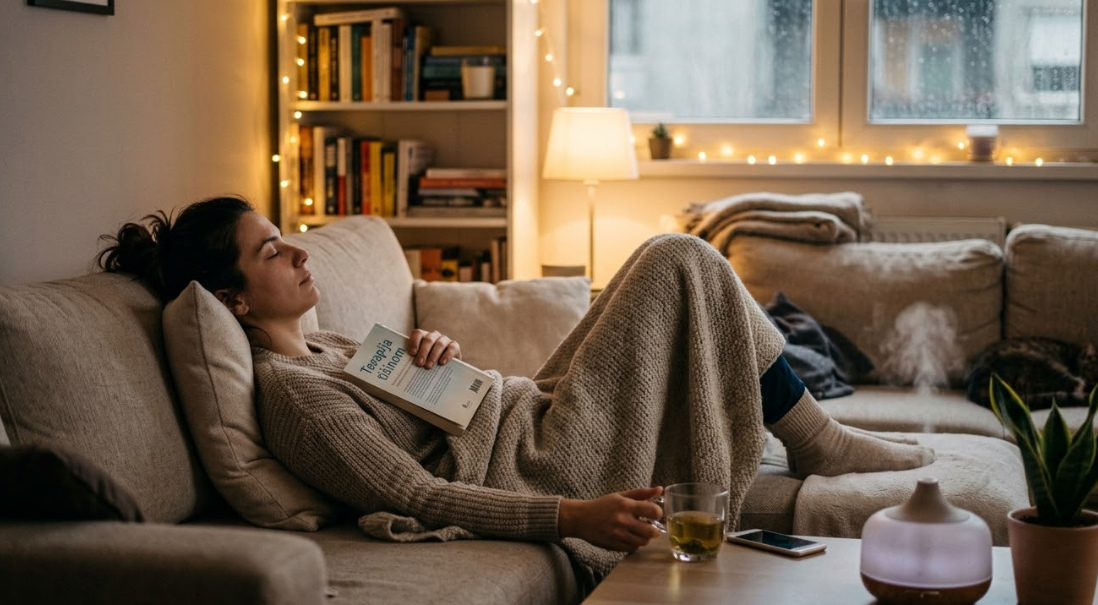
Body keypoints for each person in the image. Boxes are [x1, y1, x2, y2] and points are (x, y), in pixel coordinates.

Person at [98, 195, 934, 591]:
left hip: (520, 408)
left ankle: (818, 436)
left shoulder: (326, 344)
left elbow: (437, 411)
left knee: (669, 263)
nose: (300, 254)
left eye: (287, 239)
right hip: (537, 459)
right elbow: (416, 492)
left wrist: (438, 356)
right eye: (272, 251)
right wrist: (574, 514)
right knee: (678, 257)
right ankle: (817, 438)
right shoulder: (293, 396)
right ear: (235, 301)